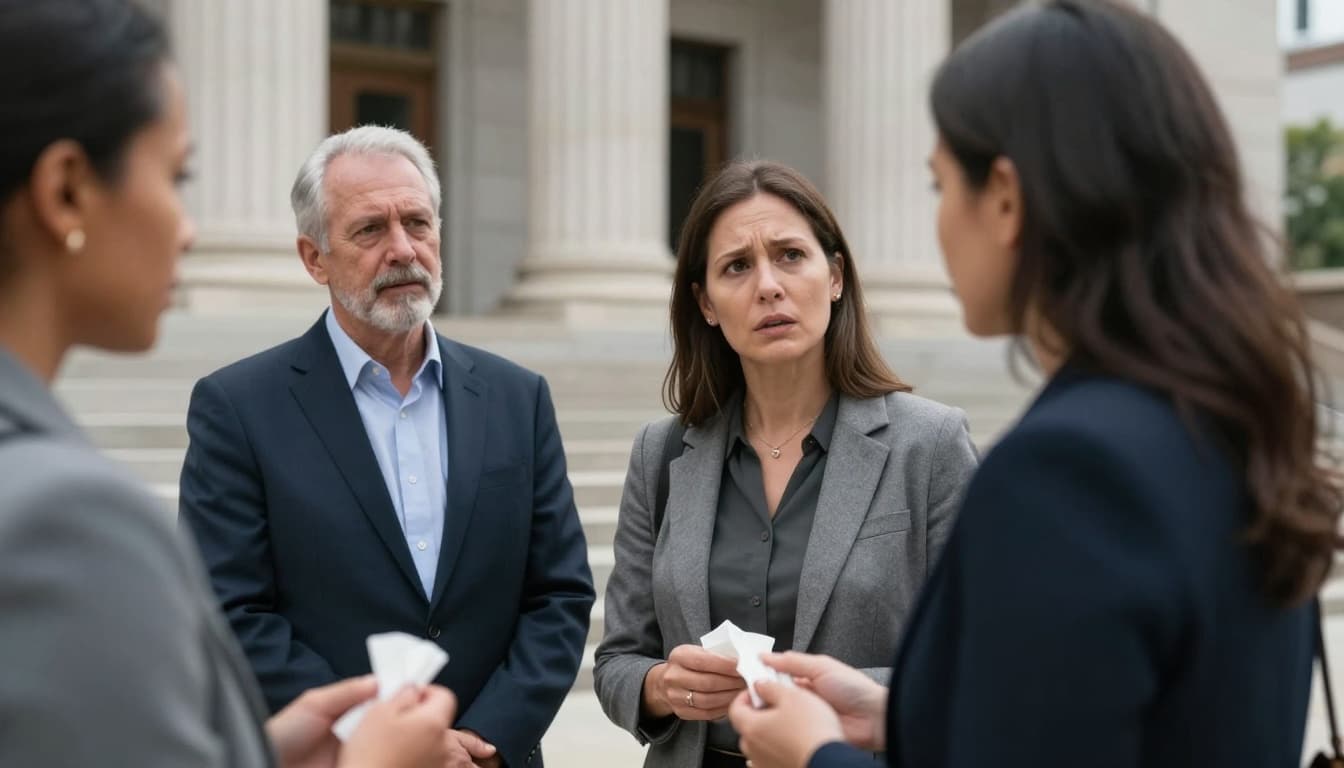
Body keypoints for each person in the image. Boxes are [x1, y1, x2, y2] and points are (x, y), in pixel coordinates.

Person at [727, 2, 1344, 767]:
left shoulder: (1071, 471)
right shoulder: (1228, 418)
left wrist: (815, 755)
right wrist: (902, 718)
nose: (939, 221)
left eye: (940, 185)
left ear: (1009, 200)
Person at [0, 1, 459, 766]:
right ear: (67, 191)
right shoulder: (65, 517)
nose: (190, 227)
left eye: (417, 222)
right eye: (176, 175)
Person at [178, 124, 595, 768]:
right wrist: (383, 741)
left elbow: (560, 595)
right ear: (313, 257)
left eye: (418, 223)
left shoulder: (518, 397)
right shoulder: (239, 408)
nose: (403, 249)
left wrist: (487, 737)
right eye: (370, 229)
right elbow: (230, 611)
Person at [593, 160, 979, 768]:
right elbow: (617, 661)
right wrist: (662, 687)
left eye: (790, 255)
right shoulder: (661, 453)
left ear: (835, 277)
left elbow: (978, 661)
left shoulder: (928, 444)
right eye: (737, 267)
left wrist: (834, 709)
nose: (768, 285)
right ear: (707, 304)